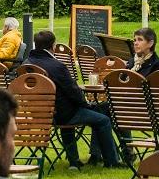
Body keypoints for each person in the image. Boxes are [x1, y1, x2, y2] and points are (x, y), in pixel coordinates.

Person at [26, 30, 120, 168]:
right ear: (53, 46)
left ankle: (74, 161)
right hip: (62, 114)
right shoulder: (57, 66)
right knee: (103, 119)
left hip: (38, 114)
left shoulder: (26, 64)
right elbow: (74, 92)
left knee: (70, 113)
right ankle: (111, 162)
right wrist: (87, 105)